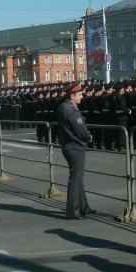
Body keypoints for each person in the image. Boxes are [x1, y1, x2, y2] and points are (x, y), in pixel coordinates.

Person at [57, 81, 95, 219]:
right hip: (75, 146)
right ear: (72, 96)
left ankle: (84, 208)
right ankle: (72, 211)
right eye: (79, 94)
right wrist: (88, 136)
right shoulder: (70, 109)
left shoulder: (64, 107)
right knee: (75, 180)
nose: (81, 97)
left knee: (78, 179)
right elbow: (80, 129)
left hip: (70, 145)